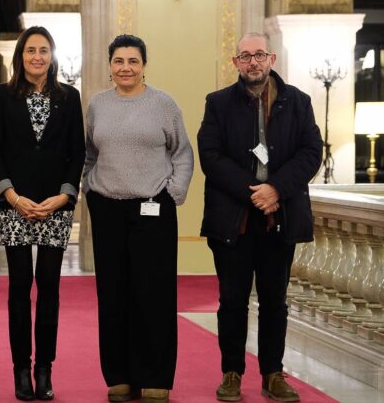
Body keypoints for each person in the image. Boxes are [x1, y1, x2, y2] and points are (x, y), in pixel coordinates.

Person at [197, 32, 322, 402]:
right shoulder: (218, 103)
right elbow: (211, 156)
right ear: (235, 62)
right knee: (232, 301)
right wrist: (255, 192)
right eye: (246, 56)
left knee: (275, 302)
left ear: (272, 59)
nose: (253, 62)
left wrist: (276, 190)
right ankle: (231, 372)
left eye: (260, 55)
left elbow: (311, 152)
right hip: (233, 220)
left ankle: (273, 374)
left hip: (279, 219)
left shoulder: (298, 102)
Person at [83, 34, 194, 403]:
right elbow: (88, 154)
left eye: (133, 60)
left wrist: (172, 193)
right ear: (110, 65)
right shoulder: (98, 104)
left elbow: (182, 153)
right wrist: (90, 191)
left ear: (144, 65)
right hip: (108, 208)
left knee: (154, 294)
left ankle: (156, 375)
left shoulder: (164, 104)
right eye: (119, 61)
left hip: (153, 209)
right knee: (113, 294)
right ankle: (120, 375)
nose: (125, 67)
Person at [0, 26, 85, 401]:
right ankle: (21, 371)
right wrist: (11, 195)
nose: (37, 57)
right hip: (15, 204)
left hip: (55, 205)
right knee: (18, 288)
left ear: (52, 56)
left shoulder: (69, 97)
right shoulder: (0, 96)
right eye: (31, 50)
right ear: (20, 56)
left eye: (44, 50)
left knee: (49, 288)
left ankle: (45, 370)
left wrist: (64, 196)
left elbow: (78, 151)